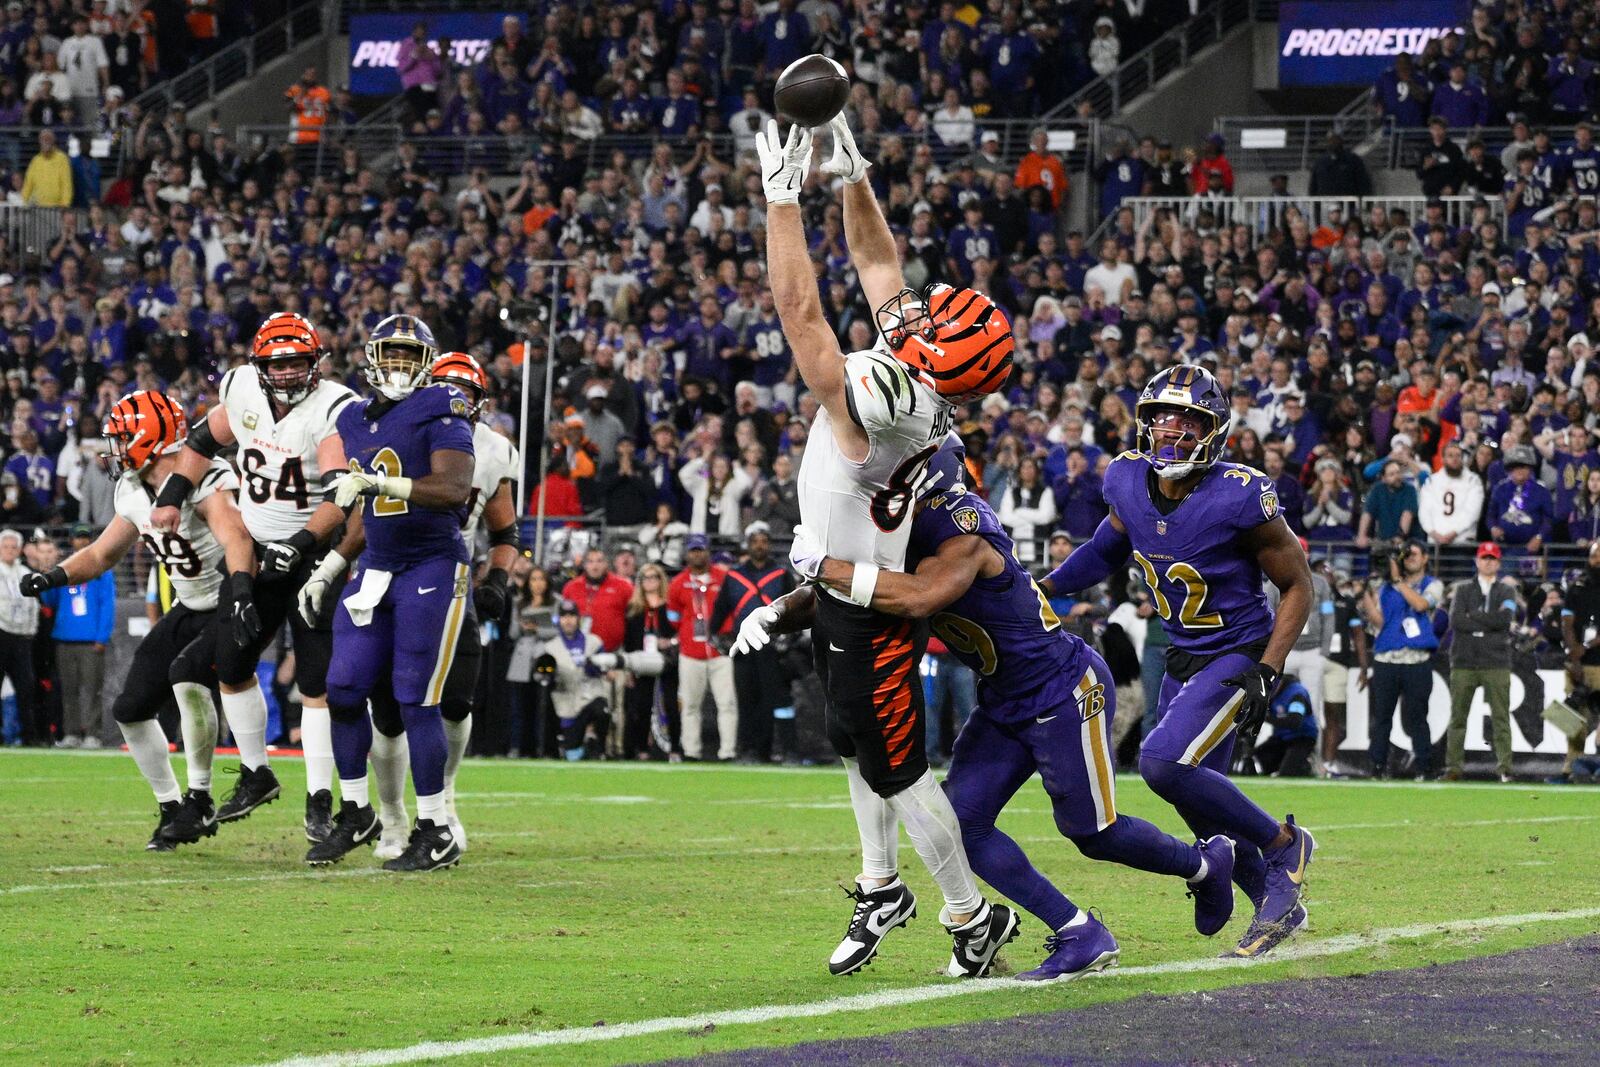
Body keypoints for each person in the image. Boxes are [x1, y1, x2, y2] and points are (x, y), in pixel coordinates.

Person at [763, 439, 1236, 980]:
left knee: (1092, 832)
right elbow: (846, 596)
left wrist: (826, 565)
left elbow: (918, 596)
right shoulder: (903, 531)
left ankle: (1203, 864)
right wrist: (776, 612)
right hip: (1004, 697)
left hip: (1060, 689)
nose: (880, 496)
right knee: (962, 823)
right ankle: (1079, 931)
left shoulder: (962, 530)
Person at [756, 114, 1016, 978]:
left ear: (936, 356)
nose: (917, 309)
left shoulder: (890, 394)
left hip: (868, 597)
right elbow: (877, 263)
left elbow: (802, 316)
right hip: (848, 586)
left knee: (902, 772)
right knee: (858, 747)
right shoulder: (924, 382)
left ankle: (971, 917)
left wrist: (781, 200)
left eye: (934, 319)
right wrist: (852, 171)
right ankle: (880, 883)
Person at [1041, 364, 1318, 959]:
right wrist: (1048, 587)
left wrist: (1268, 669)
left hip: (1237, 651)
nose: (1173, 432)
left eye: (1190, 420)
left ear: (1214, 432)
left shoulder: (1240, 493)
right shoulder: (1123, 479)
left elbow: (1299, 585)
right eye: (1163, 419)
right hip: (1181, 654)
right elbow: (1105, 548)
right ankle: (1276, 904)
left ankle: (1285, 845)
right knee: (1199, 809)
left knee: (1162, 763)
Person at [151, 312, 356, 841]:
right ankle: (256, 771)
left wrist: (303, 543)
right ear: (258, 366)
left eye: (297, 363)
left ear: (316, 364)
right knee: (232, 661)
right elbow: (200, 441)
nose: (287, 374)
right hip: (258, 550)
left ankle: (319, 797)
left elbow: (341, 496)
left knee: (315, 681)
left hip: (314, 553)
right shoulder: (241, 387)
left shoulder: (333, 408)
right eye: (277, 364)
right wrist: (173, 494)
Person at [23, 391, 254, 850]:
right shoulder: (131, 489)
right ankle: (172, 806)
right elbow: (102, 553)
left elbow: (236, 536)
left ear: (151, 437)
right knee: (129, 709)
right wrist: (53, 575)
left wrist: (243, 590)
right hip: (186, 605)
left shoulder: (206, 478)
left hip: (228, 599)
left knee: (187, 679)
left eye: (123, 437)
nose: (114, 447)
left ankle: (201, 796)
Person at [306, 314, 475, 872]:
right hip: (375, 567)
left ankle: (434, 827)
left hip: (432, 565)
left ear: (426, 362)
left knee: (414, 695)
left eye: (411, 355)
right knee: (344, 687)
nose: (400, 366)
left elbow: (452, 488)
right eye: (392, 354)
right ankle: (357, 811)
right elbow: (364, 511)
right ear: (373, 357)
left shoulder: (443, 404)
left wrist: (379, 482)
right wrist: (330, 564)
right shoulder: (352, 418)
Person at [339, 353, 522, 860]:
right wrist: (334, 565)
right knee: (388, 707)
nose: (455, 400)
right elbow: (366, 515)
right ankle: (394, 817)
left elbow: (506, 531)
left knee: (452, 703)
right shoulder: (403, 426)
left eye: (466, 393)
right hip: (392, 570)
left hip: (450, 576)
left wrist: (499, 580)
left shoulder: (493, 449)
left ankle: (442, 806)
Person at [1358, 540, 1443, 780]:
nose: (1409, 558)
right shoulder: (1385, 587)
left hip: (1417, 659)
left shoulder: (1433, 585)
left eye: (1414, 553)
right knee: (1382, 717)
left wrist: (1398, 582)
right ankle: (1377, 767)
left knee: (1417, 716)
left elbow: (1421, 604)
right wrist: (1363, 595)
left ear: (1426, 557)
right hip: (1387, 658)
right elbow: (1381, 623)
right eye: (1405, 555)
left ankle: (1424, 767)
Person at [710, 521, 793, 763]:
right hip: (744, 646)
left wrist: (786, 641)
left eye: (764, 541)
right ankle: (747, 750)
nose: (759, 546)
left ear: (769, 545)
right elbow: (717, 616)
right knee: (745, 699)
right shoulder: (734, 576)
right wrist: (720, 642)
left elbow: (795, 612)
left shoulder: (781, 574)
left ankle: (766, 750)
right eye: (755, 541)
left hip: (770, 647)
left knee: (769, 700)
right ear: (747, 544)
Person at [1444, 543, 1519, 782]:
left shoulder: (1507, 591)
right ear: (1477, 561)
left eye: (1492, 558)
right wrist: (1489, 622)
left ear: (1498, 563)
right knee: (1457, 716)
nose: (1488, 562)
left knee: (1500, 717)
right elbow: (1456, 621)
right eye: (1484, 558)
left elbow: (1505, 620)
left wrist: (1474, 616)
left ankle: (1505, 767)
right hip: (1465, 660)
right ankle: (1454, 767)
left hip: (1495, 661)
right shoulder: (1463, 589)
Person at [42, 523, 113, 748]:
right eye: (78, 538)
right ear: (71, 541)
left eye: (85, 538)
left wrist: (102, 637)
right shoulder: (63, 567)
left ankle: (93, 733)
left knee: (92, 690)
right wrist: (47, 578)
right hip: (64, 636)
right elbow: (50, 601)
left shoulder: (101, 568)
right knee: (68, 690)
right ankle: (71, 732)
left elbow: (107, 604)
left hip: (90, 639)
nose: (82, 542)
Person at [667, 532, 735, 760]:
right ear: (687, 554)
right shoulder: (677, 584)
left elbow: (732, 610)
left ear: (708, 552)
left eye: (701, 550)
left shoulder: (724, 578)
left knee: (726, 703)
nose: (697, 555)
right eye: (693, 551)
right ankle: (691, 751)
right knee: (690, 705)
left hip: (720, 651)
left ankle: (728, 751)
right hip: (691, 652)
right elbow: (674, 618)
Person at [541, 598, 616, 759]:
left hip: (591, 696)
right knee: (572, 754)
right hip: (568, 705)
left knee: (602, 710)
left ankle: (600, 748)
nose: (568, 620)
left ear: (578, 618)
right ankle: (583, 744)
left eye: (572, 616)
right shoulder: (550, 647)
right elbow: (545, 679)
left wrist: (600, 669)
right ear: (559, 619)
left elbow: (607, 670)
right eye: (564, 616)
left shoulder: (594, 642)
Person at [622, 562, 677, 759]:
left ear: (661, 580)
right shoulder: (634, 608)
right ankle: (642, 748)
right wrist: (629, 668)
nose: (650, 581)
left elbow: (678, 631)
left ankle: (674, 748)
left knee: (671, 704)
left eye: (654, 577)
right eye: (646, 577)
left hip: (667, 661)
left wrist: (669, 642)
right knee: (641, 706)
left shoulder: (670, 606)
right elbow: (629, 640)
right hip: (642, 660)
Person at [0, 528, 40, 745]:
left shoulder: (25, 572)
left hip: (22, 636)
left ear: (19, 550)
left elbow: (33, 604)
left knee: (26, 686)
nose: (9, 550)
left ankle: (29, 736)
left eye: (13, 547)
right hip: (1, 632)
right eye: (5, 546)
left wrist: (31, 630)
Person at [562, 547, 632, 651]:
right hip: (577, 649)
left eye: (599, 561)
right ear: (584, 565)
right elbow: (562, 617)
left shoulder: (623, 587)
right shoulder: (571, 587)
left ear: (606, 564)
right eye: (590, 561)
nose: (595, 566)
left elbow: (634, 616)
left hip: (612, 652)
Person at [1251, 674, 1316, 777]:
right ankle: (1280, 765)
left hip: (1302, 736)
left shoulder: (1296, 693)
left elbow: (1295, 721)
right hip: (1281, 736)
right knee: (1260, 754)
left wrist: (1264, 717)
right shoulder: (1268, 694)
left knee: (1288, 773)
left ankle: (1305, 766)